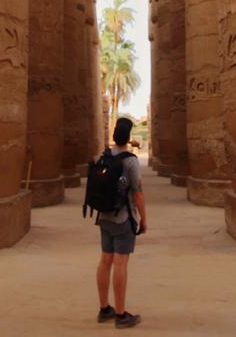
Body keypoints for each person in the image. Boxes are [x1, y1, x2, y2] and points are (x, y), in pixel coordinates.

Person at [96, 117, 147, 329]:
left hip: (105, 217)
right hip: (123, 218)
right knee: (120, 263)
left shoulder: (104, 156)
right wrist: (143, 218)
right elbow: (137, 193)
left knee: (105, 261)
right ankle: (120, 314)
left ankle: (104, 308)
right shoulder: (130, 160)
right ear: (128, 137)